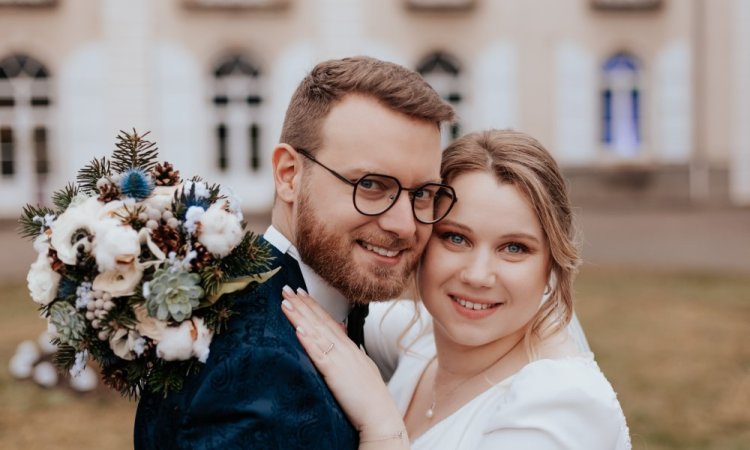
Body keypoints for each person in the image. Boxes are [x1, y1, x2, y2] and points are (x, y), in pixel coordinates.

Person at [133, 56, 456, 449]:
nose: (405, 224)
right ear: (289, 175)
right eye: (371, 185)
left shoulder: (272, 297)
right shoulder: (257, 366)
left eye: (422, 193)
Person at [281, 129, 631, 449]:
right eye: (456, 238)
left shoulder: (561, 403)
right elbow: (312, 303)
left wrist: (382, 427)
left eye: (514, 248)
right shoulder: (418, 335)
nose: (478, 276)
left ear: (551, 263)